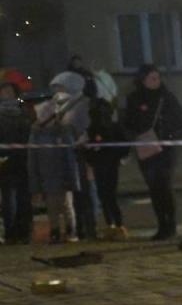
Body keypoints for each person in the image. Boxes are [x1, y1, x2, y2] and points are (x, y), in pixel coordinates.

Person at [123, 65, 182, 241]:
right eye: (152, 78)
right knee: (154, 188)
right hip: (146, 148)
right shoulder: (134, 98)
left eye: (158, 78)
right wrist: (139, 132)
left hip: (165, 148)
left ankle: (170, 224)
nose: (156, 82)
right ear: (143, 80)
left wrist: (168, 134)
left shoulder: (167, 97)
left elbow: (178, 119)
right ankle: (161, 224)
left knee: (164, 186)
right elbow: (128, 122)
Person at [28, 72, 84, 243]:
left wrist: (73, 180)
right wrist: (36, 183)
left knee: (67, 206)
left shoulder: (63, 132)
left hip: (63, 177)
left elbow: (69, 158)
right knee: (52, 207)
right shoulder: (37, 135)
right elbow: (33, 159)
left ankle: (71, 231)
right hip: (47, 178)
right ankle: (54, 231)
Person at [83, 90, 129, 239]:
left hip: (106, 164)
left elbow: (124, 145)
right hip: (103, 164)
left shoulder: (107, 127)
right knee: (106, 196)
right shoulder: (95, 128)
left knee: (108, 195)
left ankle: (117, 225)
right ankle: (112, 225)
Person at [0, 81, 33, 243]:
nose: (6, 94)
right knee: (8, 197)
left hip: (21, 158)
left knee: (22, 196)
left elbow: (28, 133)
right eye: (3, 91)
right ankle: (11, 231)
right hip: (4, 159)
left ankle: (23, 230)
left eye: (9, 91)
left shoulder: (23, 111)